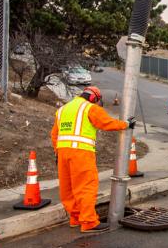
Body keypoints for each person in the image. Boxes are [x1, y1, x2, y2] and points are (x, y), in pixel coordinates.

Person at [50, 86, 136, 233]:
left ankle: (75, 217)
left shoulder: (62, 110)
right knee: (86, 186)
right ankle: (89, 222)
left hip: (63, 153)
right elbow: (106, 122)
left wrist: (58, 152)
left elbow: (54, 135)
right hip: (81, 153)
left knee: (68, 188)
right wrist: (126, 124)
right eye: (97, 101)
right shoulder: (89, 108)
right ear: (93, 98)